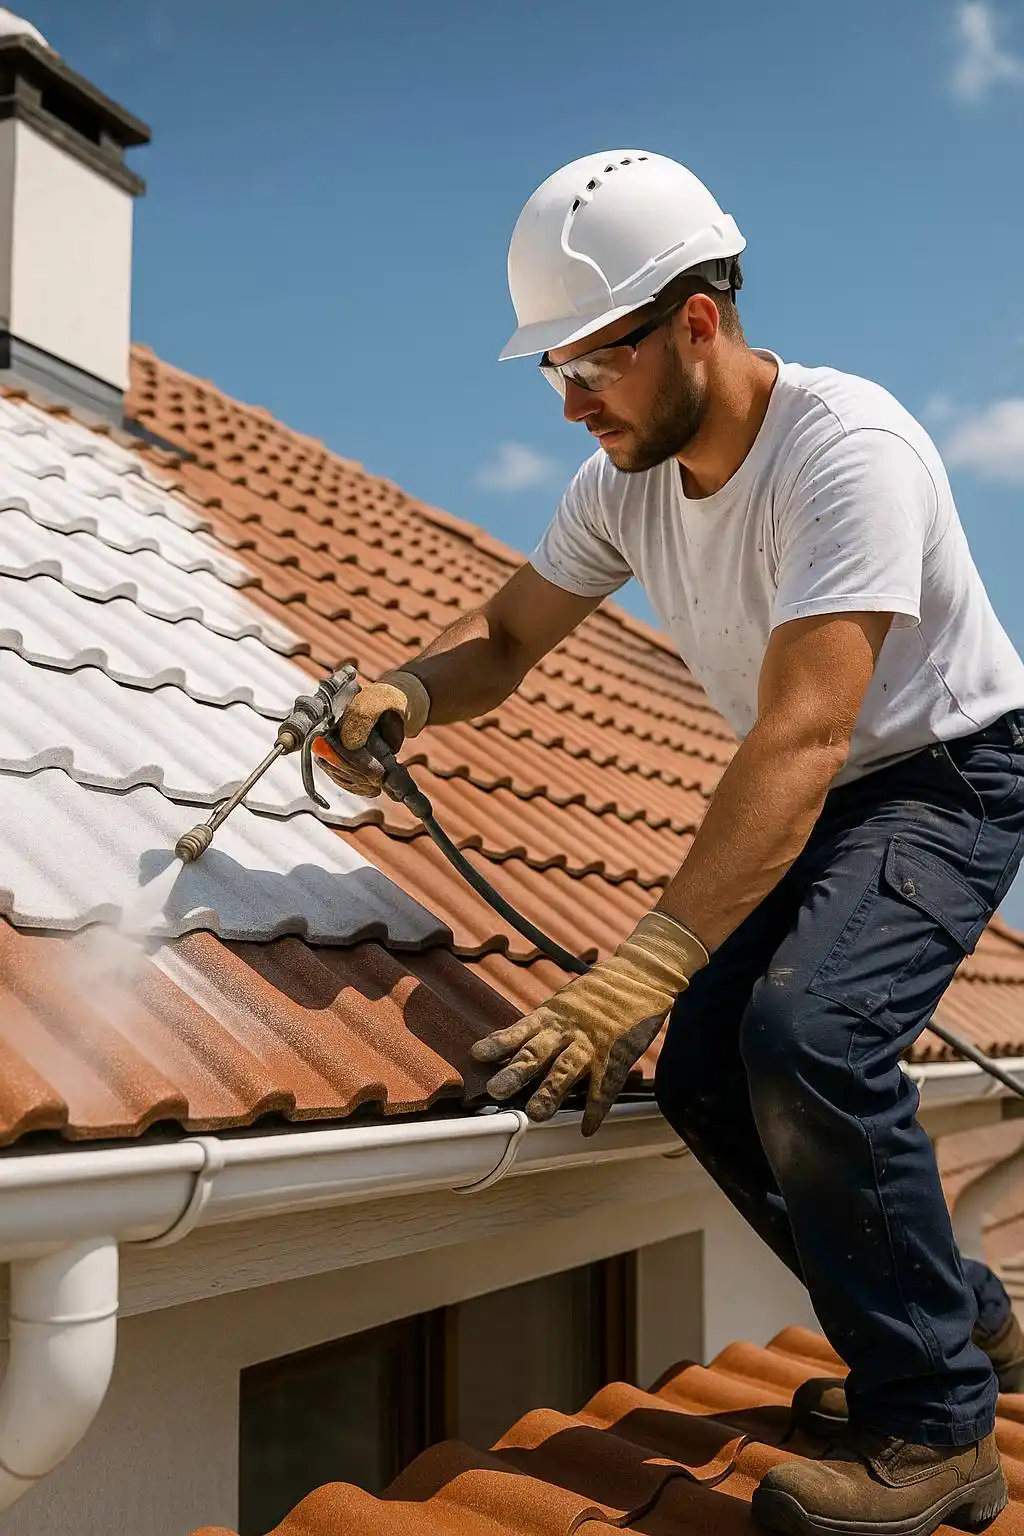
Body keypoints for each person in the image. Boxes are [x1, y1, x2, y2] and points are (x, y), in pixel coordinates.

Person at [314, 150, 1024, 1536]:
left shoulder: (848, 449)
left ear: (698, 321)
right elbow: (506, 642)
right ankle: (958, 1331)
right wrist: (406, 686)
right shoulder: (622, 482)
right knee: (703, 1070)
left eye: (594, 364)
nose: (573, 403)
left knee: (805, 1038)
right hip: (839, 782)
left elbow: (807, 735)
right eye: (553, 375)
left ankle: (938, 1425)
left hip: (948, 777)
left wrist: (638, 966)